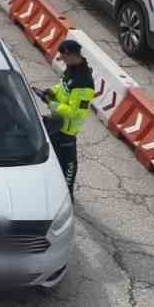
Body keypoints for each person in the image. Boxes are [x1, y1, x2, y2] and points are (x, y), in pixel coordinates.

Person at [38, 39, 96, 197]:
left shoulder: (84, 83)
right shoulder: (71, 69)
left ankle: (67, 197)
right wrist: (51, 91)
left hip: (67, 131)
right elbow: (63, 87)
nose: (60, 59)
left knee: (67, 168)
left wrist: (51, 104)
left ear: (71, 55)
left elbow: (75, 112)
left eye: (62, 56)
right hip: (56, 123)